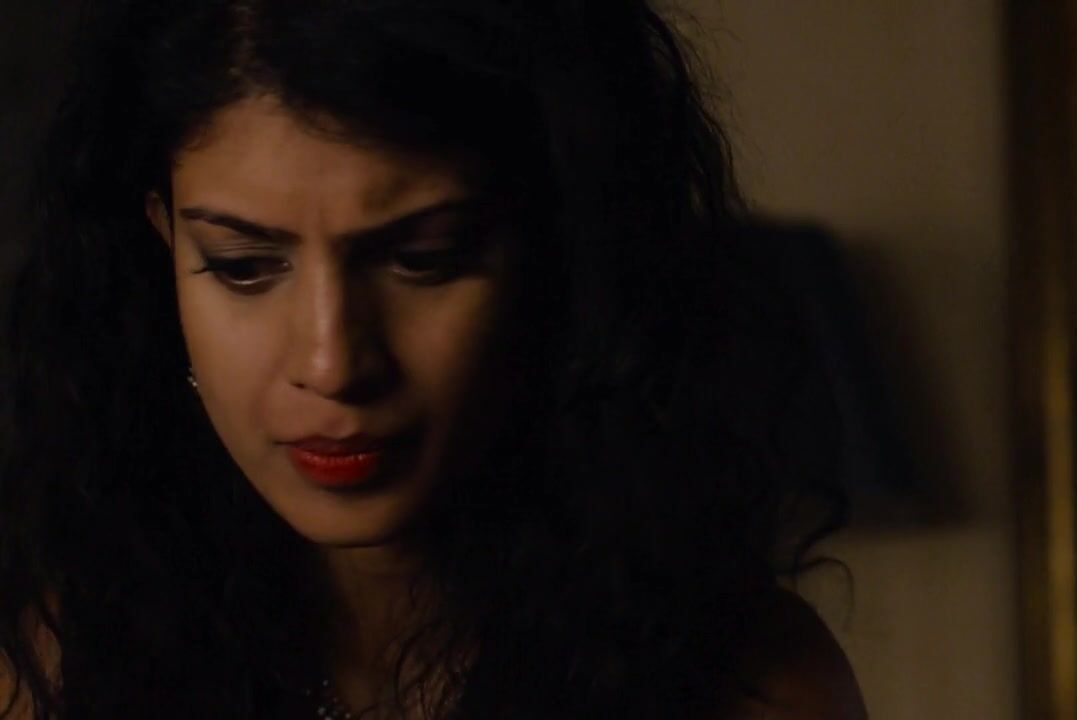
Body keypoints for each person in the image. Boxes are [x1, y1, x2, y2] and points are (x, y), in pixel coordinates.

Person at [0, 1, 867, 718]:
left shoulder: (747, 689)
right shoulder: (65, 674)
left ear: (561, 254)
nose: (332, 362)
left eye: (423, 259)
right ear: (163, 247)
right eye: (243, 267)